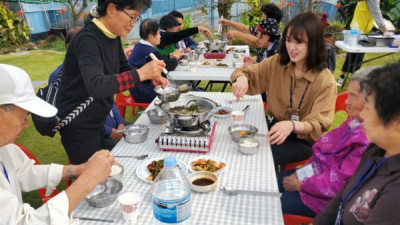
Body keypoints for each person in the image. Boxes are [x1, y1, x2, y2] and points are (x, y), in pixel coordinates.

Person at [56, 0, 169, 164]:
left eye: (136, 19)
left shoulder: (112, 36)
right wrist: (141, 73)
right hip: (79, 126)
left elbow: (123, 68)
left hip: (100, 121)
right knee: (93, 179)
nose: (133, 24)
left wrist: (148, 78)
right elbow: (97, 85)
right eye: (132, 17)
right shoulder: (87, 40)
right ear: (111, 9)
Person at [0, 64, 114, 224]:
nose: (26, 125)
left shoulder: (4, 147)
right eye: (23, 116)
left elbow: (22, 172)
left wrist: (76, 170)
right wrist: (88, 179)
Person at [230, 12, 337, 171]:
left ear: (313, 44)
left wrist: (293, 125)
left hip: (302, 140)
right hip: (275, 127)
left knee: (256, 156)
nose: (291, 47)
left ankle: (267, 189)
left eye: (299, 42)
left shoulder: (325, 81)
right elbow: (248, 72)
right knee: (237, 143)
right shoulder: (278, 63)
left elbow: (319, 122)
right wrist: (241, 78)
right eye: (288, 40)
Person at [277, 67, 373, 217]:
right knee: (268, 182)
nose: (347, 101)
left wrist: (300, 184)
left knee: (267, 204)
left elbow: (339, 183)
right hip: (312, 177)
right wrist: (300, 174)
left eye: (353, 96)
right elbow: (325, 156)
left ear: (372, 101)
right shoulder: (354, 122)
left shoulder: (367, 141)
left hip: (322, 201)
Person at [313, 62, 400, 225]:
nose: (363, 116)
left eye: (369, 108)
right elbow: (344, 194)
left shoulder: (396, 193)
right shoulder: (377, 149)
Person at [128, 19, 182, 103]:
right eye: (158, 33)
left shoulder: (139, 46)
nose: (160, 36)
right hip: (145, 92)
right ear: (150, 36)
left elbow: (158, 58)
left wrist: (169, 55)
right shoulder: (149, 52)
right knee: (179, 91)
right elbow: (169, 66)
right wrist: (175, 56)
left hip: (137, 90)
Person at [337, 0, 386, 86]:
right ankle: (351, 80)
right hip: (360, 30)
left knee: (351, 56)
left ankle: (343, 78)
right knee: (357, 57)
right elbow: (376, 13)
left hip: (357, 27)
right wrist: (384, 28)